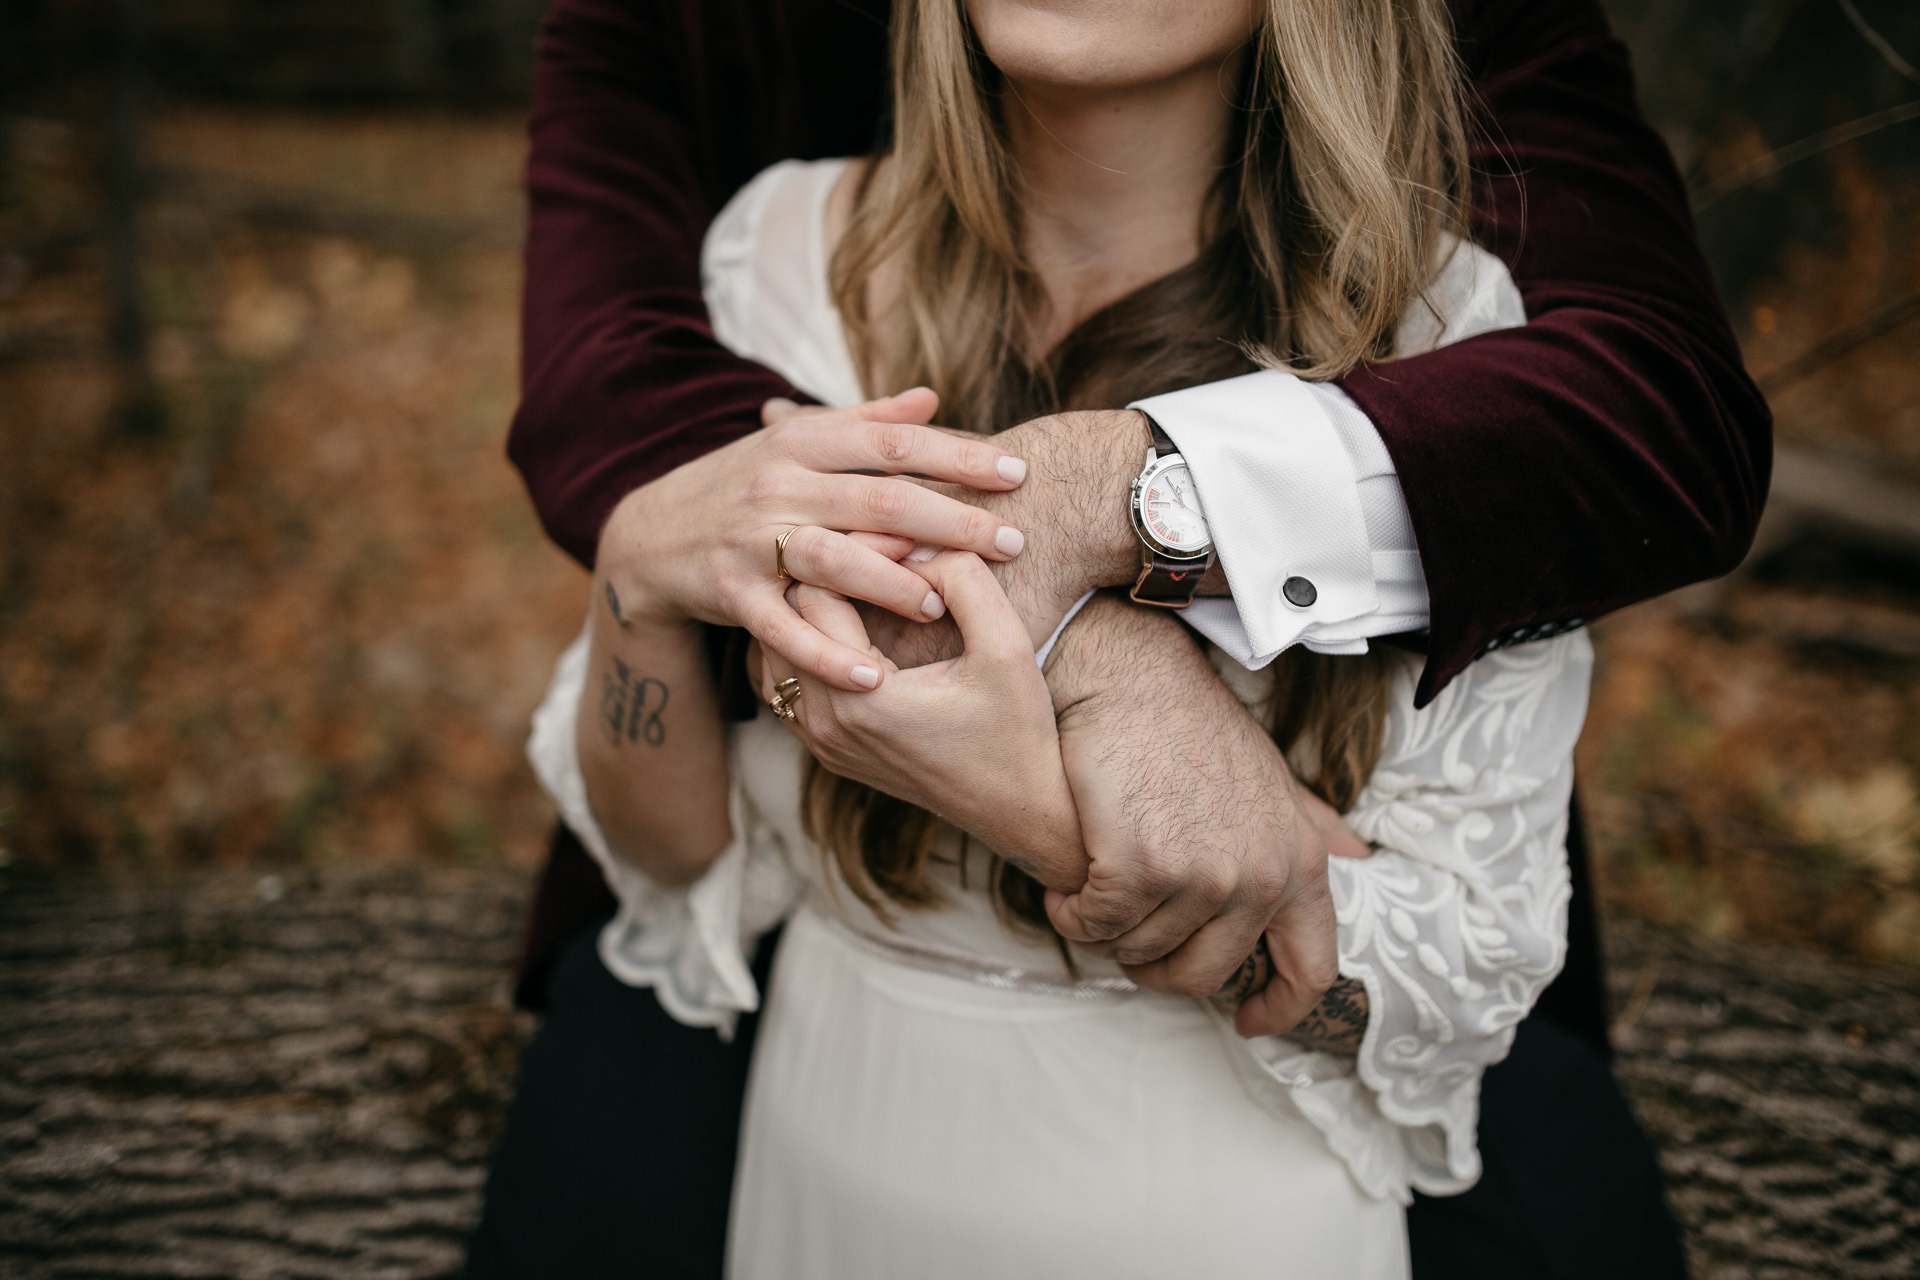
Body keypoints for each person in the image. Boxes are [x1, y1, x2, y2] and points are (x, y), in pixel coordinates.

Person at [468, 0, 1768, 1276]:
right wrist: (639, 573)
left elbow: (1443, 987)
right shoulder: (785, 252)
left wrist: (1046, 777)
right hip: (830, 1125)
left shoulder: (1451, 333)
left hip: (1216, 1191)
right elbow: (675, 853)